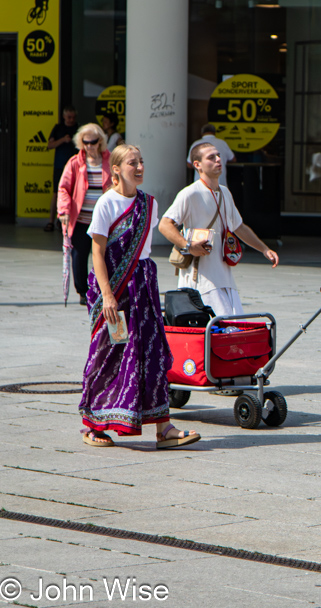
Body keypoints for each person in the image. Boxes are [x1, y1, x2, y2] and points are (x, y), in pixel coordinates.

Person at [78, 144, 200, 450]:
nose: (140, 167)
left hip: (143, 286)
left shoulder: (150, 204)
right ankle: (93, 423)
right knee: (109, 354)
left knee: (153, 353)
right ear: (117, 169)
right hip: (114, 288)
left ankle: (164, 427)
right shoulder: (106, 203)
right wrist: (107, 294)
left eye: (142, 161)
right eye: (133, 163)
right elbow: (97, 251)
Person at [159, 143, 279, 316]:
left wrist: (264, 249)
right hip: (201, 280)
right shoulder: (190, 193)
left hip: (225, 277)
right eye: (211, 157)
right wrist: (188, 245)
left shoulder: (225, 192)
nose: (218, 160)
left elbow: (239, 227)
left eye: (218, 156)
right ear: (197, 165)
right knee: (215, 332)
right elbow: (165, 224)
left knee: (232, 330)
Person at [57, 123, 111, 306]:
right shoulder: (75, 162)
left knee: (104, 256)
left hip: (103, 221)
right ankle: (83, 292)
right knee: (79, 257)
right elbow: (63, 188)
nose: (89, 146)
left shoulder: (110, 161)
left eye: (93, 142)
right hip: (80, 220)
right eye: (85, 142)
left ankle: (103, 288)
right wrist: (63, 210)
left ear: (100, 142)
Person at [45, 106, 79, 232]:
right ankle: (51, 221)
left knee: (75, 194)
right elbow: (50, 145)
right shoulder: (58, 128)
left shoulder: (78, 128)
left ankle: (70, 221)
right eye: (69, 117)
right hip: (60, 166)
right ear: (64, 116)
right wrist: (63, 140)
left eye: (73, 118)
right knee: (56, 193)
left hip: (75, 167)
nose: (71, 120)